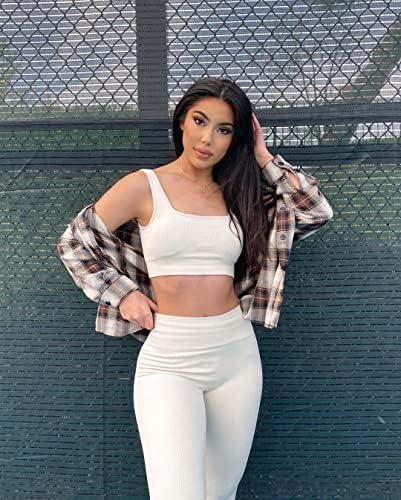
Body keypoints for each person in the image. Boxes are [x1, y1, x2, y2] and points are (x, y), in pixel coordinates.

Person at [56, 77, 333, 500]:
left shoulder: (240, 195)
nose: (207, 139)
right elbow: (74, 242)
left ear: (235, 139)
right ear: (182, 121)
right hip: (170, 359)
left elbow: (315, 212)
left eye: (224, 130)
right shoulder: (144, 185)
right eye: (200, 121)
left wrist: (262, 156)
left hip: (235, 354)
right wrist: (122, 293)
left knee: (220, 492)